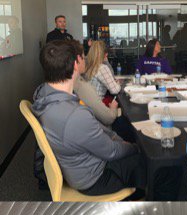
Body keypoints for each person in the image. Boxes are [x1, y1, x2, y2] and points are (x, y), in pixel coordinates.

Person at [31, 40, 149, 198]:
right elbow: (112, 152)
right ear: (75, 64)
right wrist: (135, 147)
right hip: (94, 178)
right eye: (82, 57)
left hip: (75, 167)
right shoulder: (75, 115)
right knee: (147, 162)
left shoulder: (43, 95)